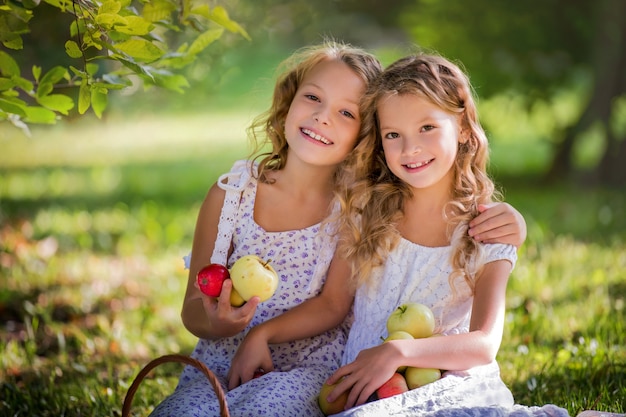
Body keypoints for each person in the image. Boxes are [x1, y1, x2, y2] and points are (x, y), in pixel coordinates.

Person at [151, 42, 527, 417]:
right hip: (233, 365)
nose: (322, 117)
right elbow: (194, 309)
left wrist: (515, 224)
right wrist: (223, 324)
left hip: (329, 370)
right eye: (312, 97)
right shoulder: (245, 197)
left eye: (346, 112)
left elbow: (335, 305)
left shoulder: (359, 207)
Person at [229, 53, 570, 417]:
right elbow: (333, 304)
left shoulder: (485, 230)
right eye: (393, 134)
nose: (410, 149)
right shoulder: (366, 211)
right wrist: (261, 333)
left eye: (427, 128)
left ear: (465, 130)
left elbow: (484, 343)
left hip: (444, 384)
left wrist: (399, 352)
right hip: (364, 388)